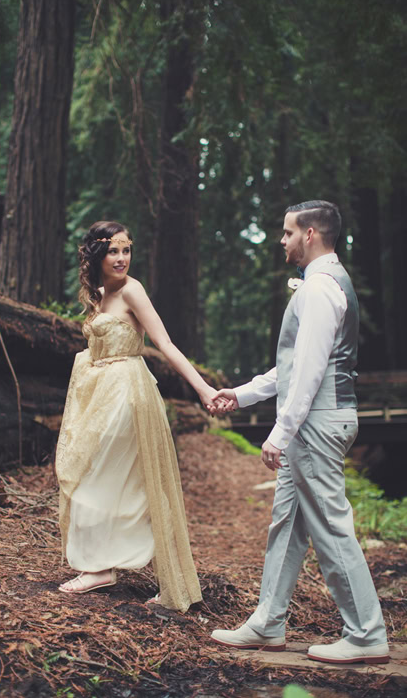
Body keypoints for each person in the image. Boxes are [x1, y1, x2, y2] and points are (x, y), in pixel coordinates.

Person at [210, 201, 389, 664]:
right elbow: (293, 365)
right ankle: (268, 622)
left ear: (310, 234)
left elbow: (309, 371)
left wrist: (279, 433)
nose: (282, 240)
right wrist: (244, 394)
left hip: (316, 422)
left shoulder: (319, 289)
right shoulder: (323, 284)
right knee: (287, 525)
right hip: (319, 418)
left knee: (331, 525)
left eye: (288, 232)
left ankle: (366, 633)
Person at [55, 221, 215, 612]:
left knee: (104, 478)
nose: (122, 258)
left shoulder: (132, 290)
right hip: (98, 395)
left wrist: (204, 388)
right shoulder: (97, 293)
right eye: (114, 251)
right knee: (99, 478)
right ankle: (101, 566)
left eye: (127, 250)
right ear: (97, 254)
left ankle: (107, 568)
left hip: (127, 395)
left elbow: (166, 344)